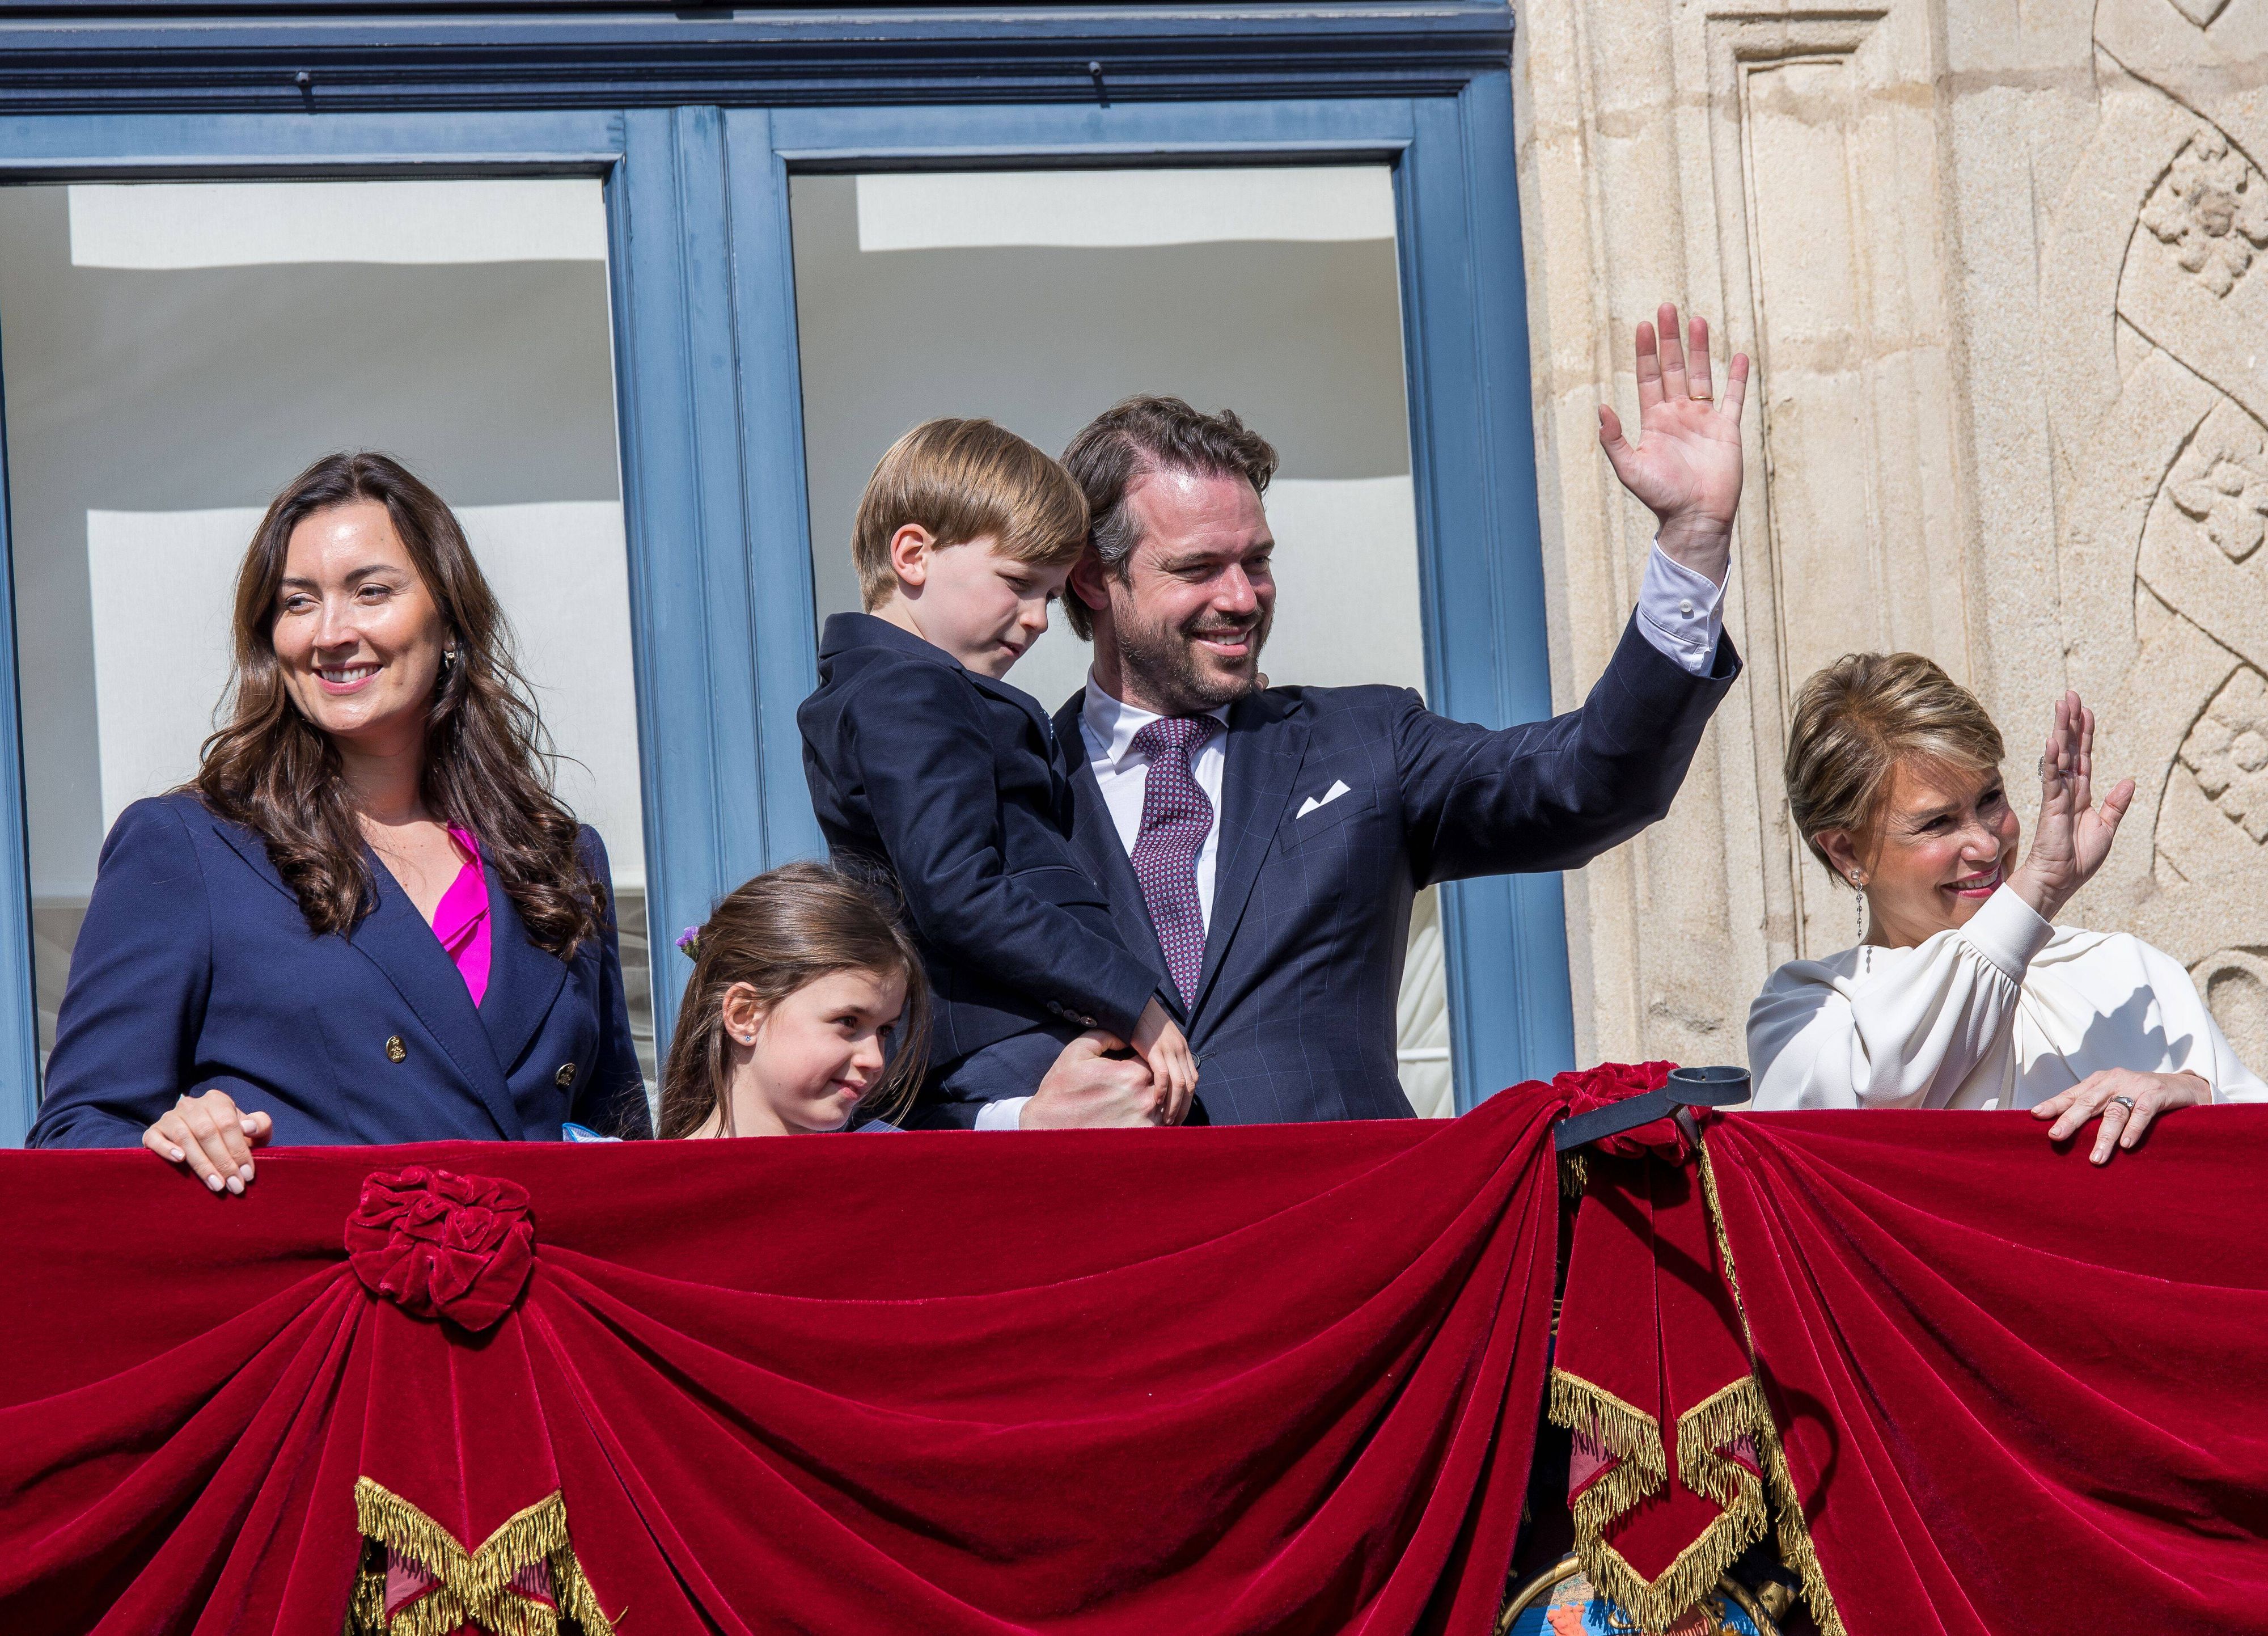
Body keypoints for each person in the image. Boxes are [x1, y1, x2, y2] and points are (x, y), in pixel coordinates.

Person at [937, 302, 1750, 1130]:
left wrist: (1691, 544)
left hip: (1357, 1235)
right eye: (1198, 568)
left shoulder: (1365, 744)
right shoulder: (1005, 791)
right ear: (1089, 580)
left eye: (1256, 561)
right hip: (1134, 1246)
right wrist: (1025, 1120)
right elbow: (934, 1068)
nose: (1240, 598)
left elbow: (1594, 779)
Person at [28, 451, 650, 1185]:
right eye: (297, 603)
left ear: (450, 617)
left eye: (370, 591)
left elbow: (622, 1150)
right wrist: (168, 1138)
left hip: (542, 1291)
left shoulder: (562, 862)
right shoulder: (191, 847)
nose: (330, 632)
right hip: (319, 1293)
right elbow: (75, 1132)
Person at [799, 418, 1198, 1127]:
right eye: (1018, 584)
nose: (1040, 619)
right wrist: (1128, 997)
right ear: (913, 554)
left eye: (1048, 594)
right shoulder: (907, 689)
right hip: (1006, 1033)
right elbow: (958, 888)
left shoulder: (899, 686)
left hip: (1010, 1030)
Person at [1747, 652, 2266, 1160]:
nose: (1988, 846)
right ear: (1846, 850)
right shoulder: (1805, 1012)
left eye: (1990, 799)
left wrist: (2196, 1097)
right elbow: (1860, 1117)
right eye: (1938, 823)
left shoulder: (2126, 969)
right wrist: (2037, 890)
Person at [657, 861, 930, 1138]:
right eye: (848, 1021)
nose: (875, 1060)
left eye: (885, 1030)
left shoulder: (900, 1169)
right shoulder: (646, 1176)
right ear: (745, 1015)